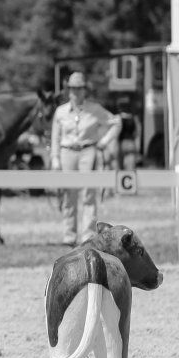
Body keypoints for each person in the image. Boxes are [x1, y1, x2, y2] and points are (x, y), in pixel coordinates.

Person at [50, 72, 121, 246]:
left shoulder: (94, 109)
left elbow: (116, 122)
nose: (75, 92)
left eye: (79, 88)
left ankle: (87, 235)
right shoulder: (60, 112)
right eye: (72, 88)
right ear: (68, 90)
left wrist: (104, 141)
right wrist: (55, 158)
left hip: (88, 151)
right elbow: (55, 137)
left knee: (89, 194)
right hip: (67, 152)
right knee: (68, 195)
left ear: (84, 90)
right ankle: (69, 235)